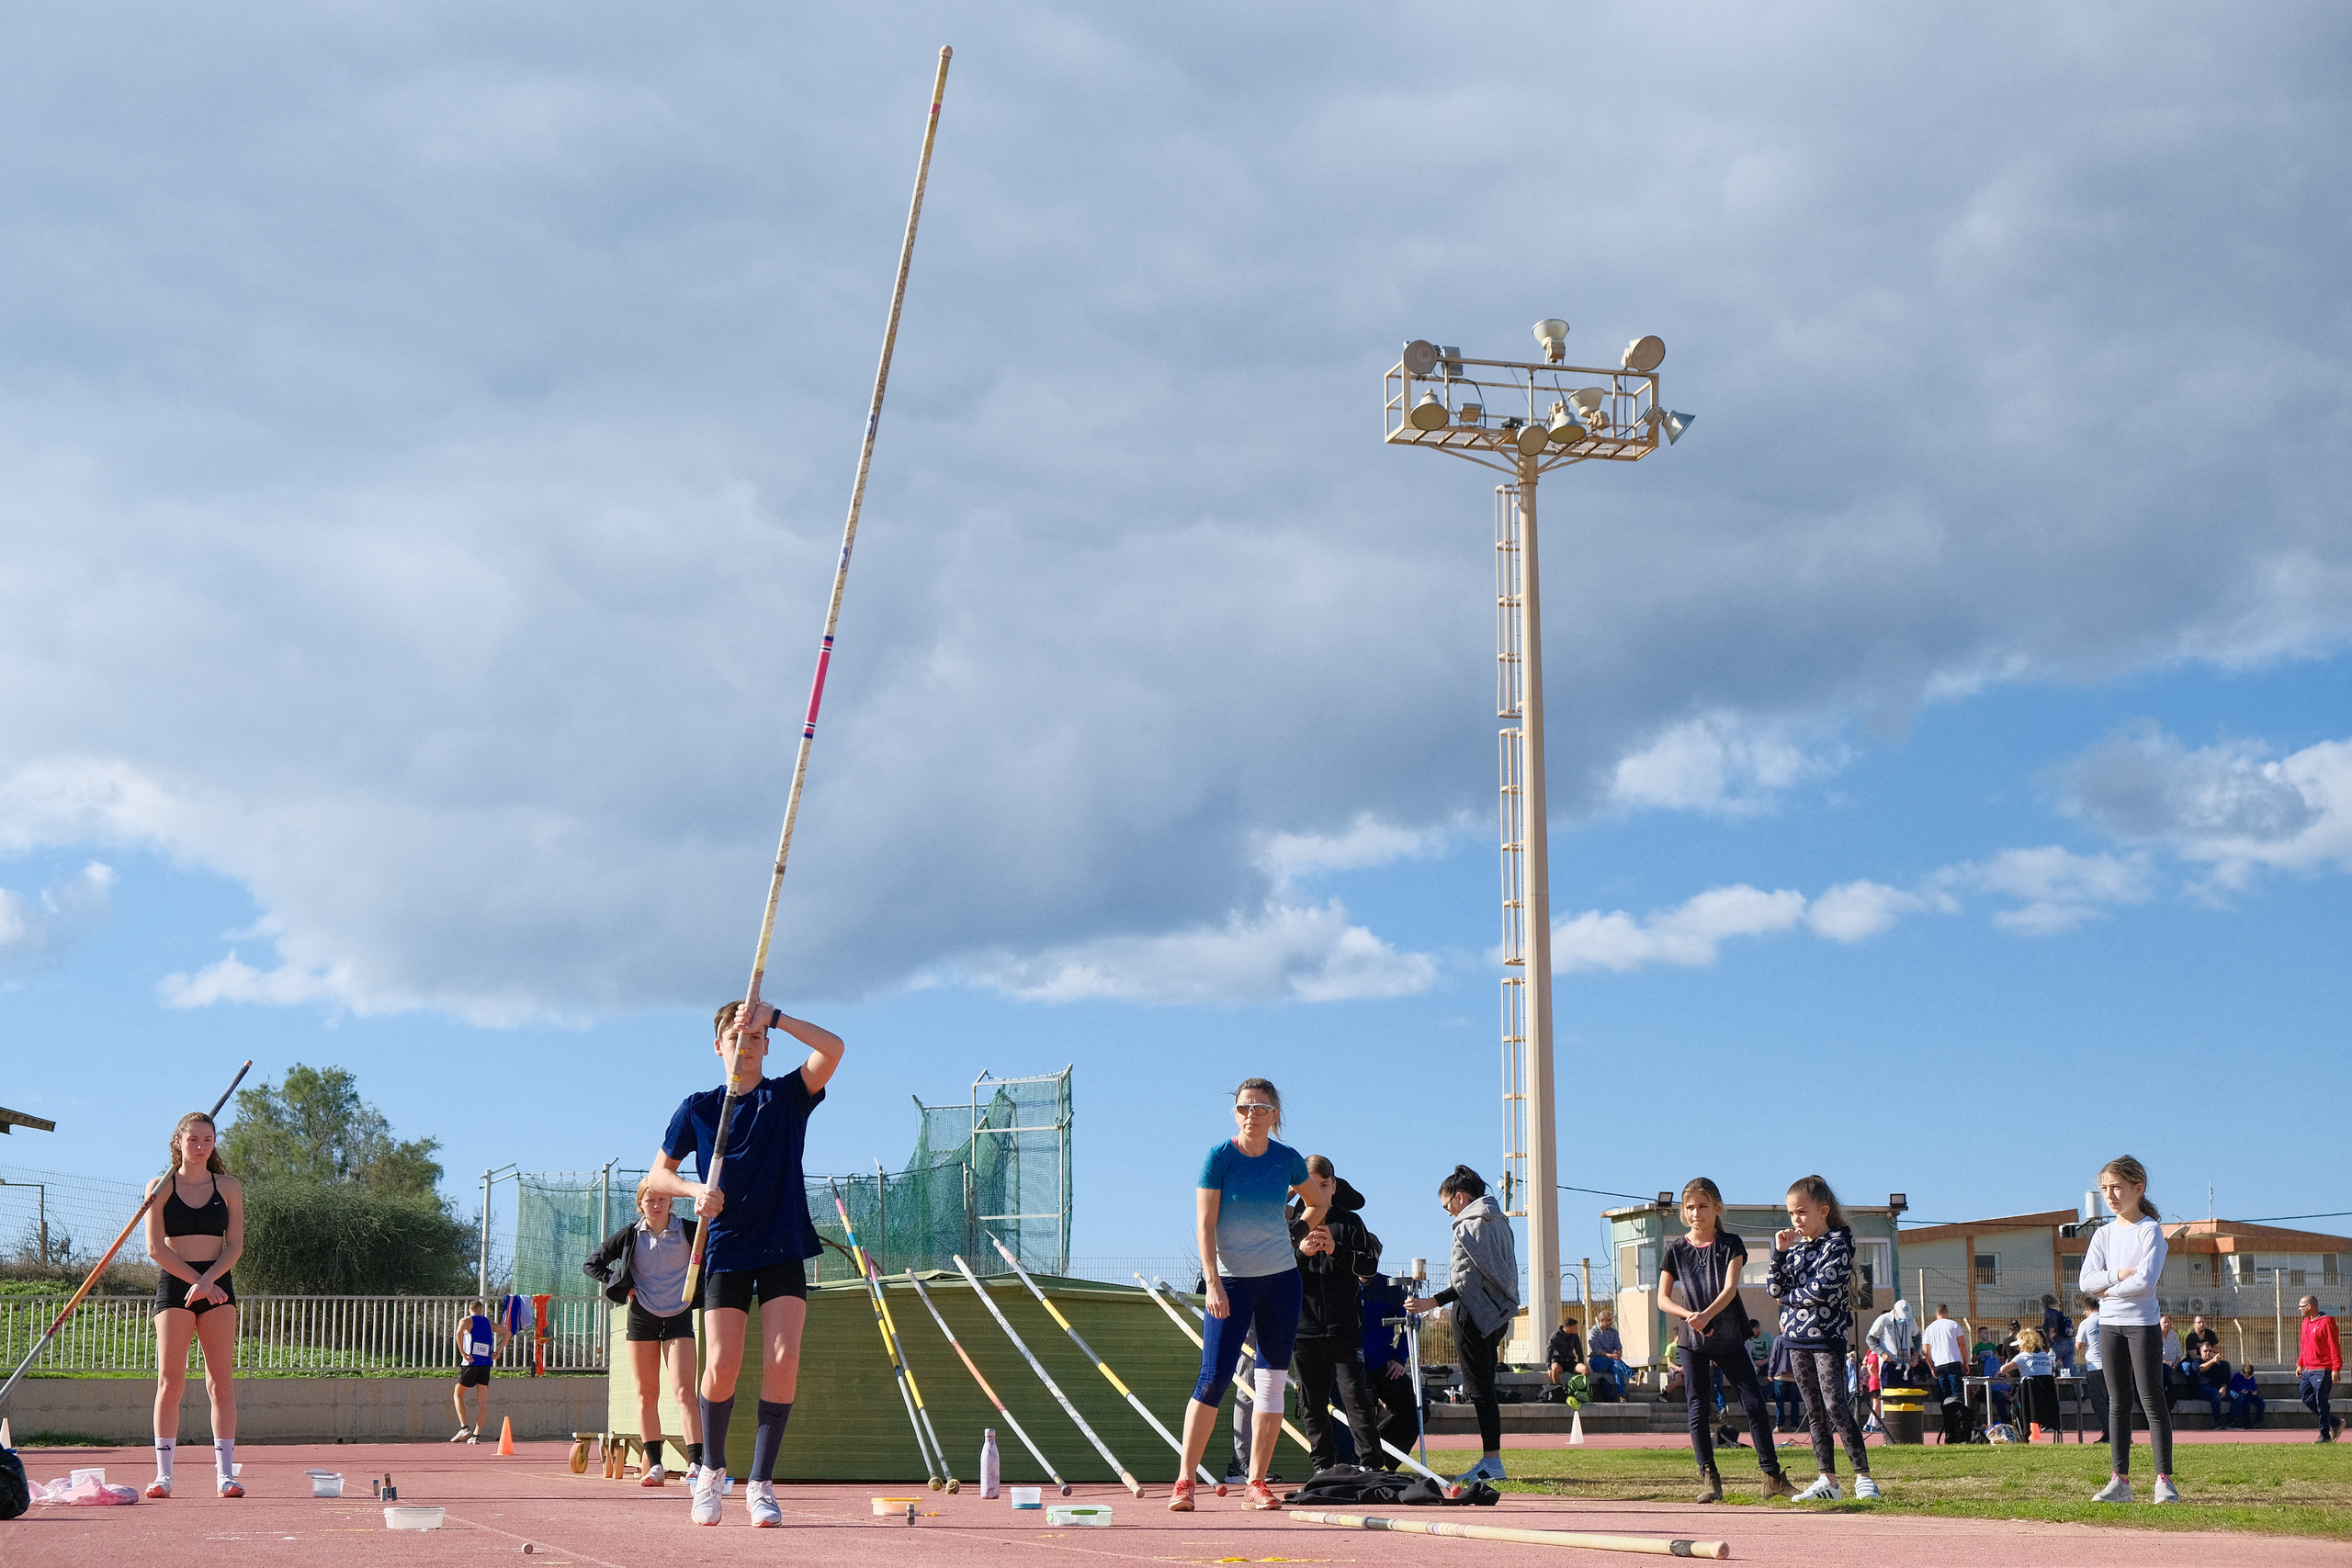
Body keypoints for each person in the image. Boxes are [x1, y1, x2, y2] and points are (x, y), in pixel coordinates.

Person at [649, 999, 844, 1528]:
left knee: (783, 1359)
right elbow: (656, 1178)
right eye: (738, 1038)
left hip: (781, 1243)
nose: (748, 1046)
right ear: (720, 1046)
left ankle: (761, 1484)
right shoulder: (698, 1107)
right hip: (726, 1248)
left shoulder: (786, 1097)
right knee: (723, 1365)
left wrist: (773, 1016)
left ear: (766, 1045)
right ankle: (711, 1470)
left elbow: (834, 1049)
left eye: (756, 1039)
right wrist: (695, 1190)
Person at [1171, 1079, 1324, 1512]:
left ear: (1275, 1114)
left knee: (1271, 1380)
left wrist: (1292, 1235)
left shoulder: (1288, 1160)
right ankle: (1185, 1482)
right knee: (1214, 1378)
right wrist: (1213, 1281)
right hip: (1231, 1281)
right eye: (1243, 1107)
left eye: (1260, 1107)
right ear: (1234, 1113)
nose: (1251, 1114)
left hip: (1281, 1281)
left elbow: (1316, 1204)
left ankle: (1256, 1483)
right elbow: (1204, 1226)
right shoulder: (1218, 1158)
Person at [1657, 1179, 1792, 1503]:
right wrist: (1689, 1315)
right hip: (1692, 1340)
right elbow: (1662, 1298)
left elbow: (1730, 1289)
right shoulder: (1675, 1250)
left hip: (1730, 1334)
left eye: (1703, 1206)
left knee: (1754, 1402)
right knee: (1697, 1406)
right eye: (1690, 1207)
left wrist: (1706, 1315)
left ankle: (1771, 1475)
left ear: (1717, 1208)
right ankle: (1709, 1476)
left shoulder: (1731, 1243)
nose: (1696, 1213)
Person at [143, 1111, 245, 1500]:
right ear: (178, 1143)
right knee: (171, 1380)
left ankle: (225, 1475)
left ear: (214, 1143)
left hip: (217, 1284)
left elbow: (234, 1245)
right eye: (193, 1140)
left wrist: (210, 1281)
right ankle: (163, 1476)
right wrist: (196, 1281)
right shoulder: (160, 1186)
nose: (200, 1147)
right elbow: (155, 1248)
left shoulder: (230, 1186)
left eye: (207, 1140)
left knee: (220, 1382)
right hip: (176, 1285)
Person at [1767, 1174, 1882, 1502]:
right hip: (1796, 1340)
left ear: (1823, 1210)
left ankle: (1863, 1476)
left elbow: (1821, 1290)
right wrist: (1779, 1254)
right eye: (1791, 1214)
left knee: (1835, 1405)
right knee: (1814, 1410)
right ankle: (1827, 1480)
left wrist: (1788, 1299)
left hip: (1826, 1338)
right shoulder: (1796, 1249)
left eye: (1801, 1212)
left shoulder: (1838, 1245)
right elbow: (1775, 1287)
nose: (1795, 1220)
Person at [585, 1177, 705, 1485]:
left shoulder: (689, 1230)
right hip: (642, 1318)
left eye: (662, 1199)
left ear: (670, 1202)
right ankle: (655, 1465)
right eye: (650, 1200)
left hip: (678, 1316)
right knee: (646, 1394)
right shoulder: (629, 1236)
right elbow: (592, 1263)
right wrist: (622, 1285)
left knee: (684, 1393)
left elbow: (717, 1256)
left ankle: (696, 1465)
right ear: (640, 1204)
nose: (656, 1205)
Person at [1405, 1166, 1519, 1487]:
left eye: (1447, 1206)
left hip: (1474, 1313)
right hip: (1498, 1312)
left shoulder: (1468, 1225)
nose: (1448, 1213)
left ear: (1459, 1197)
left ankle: (1492, 1461)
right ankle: (1492, 1458)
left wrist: (1432, 1303)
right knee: (1484, 1387)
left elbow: (1466, 1279)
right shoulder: (1501, 1221)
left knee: (1479, 1388)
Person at [2079, 1154, 2178, 1503]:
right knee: (2117, 1402)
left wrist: (2106, 1290)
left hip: (2142, 1325)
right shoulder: (2103, 1234)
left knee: (2151, 1399)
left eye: (2117, 1187)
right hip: (2110, 1325)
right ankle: (2120, 1481)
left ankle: (2164, 1480)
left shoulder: (2150, 1230)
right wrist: (2118, 1276)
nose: (2110, 1194)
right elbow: (2085, 1281)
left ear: (2139, 1188)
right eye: (2105, 1188)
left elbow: (2146, 1283)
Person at [1288, 1156, 1385, 1473]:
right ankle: (1321, 1466)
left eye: (1324, 1185)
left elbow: (1368, 1269)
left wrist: (1335, 1249)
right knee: (1312, 1403)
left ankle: (1370, 1464)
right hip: (1304, 1329)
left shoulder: (1351, 1222)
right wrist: (1301, 1252)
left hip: (1344, 1328)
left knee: (1356, 1397)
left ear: (1334, 1186)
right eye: (1310, 1187)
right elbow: (1279, 1275)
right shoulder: (1290, 1225)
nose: (1318, 1192)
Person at [1358, 1274, 1420, 1462]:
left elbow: (1412, 1322)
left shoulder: (1390, 1288)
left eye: (1372, 1256)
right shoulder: (1341, 1284)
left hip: (1383, 1362)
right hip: (1352, 1363)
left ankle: (1381, 1459)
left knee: (1415, 1410)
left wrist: (1399, 1358)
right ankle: (1358, 1460)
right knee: (1362, 1408)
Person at [452, 1299, 511, 1442]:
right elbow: (507, 1333)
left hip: (470, 1363)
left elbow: (458, 1333)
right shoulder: (488, 1323)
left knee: (458, 1395)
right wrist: (498, 1351)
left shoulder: (466, 1321)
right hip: (485, 1365)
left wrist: (462, 1352)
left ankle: (464, 1428)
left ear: (469, 1310)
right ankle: (476, 1435)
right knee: (482, 1402)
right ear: (481, 1310)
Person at [1995, 1326, 2061, 1440]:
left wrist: (2007, 1372)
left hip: (2029, 1398)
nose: (2017, 1347)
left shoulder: (2022, 1356)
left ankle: (2022, 1434)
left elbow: (2004, 1369)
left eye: (2019, 1344)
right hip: (2047, 1398)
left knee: (2014, 1404)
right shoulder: (2046, 1356)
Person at [2298, 1293, 2341, 1443]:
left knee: (2321, 1401)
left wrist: (2336, 1367)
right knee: (2306, 1397)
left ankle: (2325, 1435)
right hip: (2308, 1370)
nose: (2300, 1309)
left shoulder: (2327, 1322)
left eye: (2302, 1306)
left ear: (2310, 1306)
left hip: (2323, 1369)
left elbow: (2334, 1345)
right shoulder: (2305, 1323)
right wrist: (2300, 1363)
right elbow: (2304, 1345)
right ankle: (2335, 1423)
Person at [1923, 1303, 1969, 1408]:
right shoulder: (1954, 1324)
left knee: (1944, 1394)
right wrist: (1965, 1361)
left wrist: (1931, 1367)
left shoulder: (1929, 1329)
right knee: (1957, 1393)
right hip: (1954, 1361)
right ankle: (1958, 1419)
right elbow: (1962, 1344)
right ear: (1946, 1313)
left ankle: (1947, 1420)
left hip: (1939, 1364)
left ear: (1936, 1314)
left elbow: (1926, 1351)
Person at [2078, 1294, 2109, 1441]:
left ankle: (2110, 1434)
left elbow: (2079, 1345)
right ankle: (2120, 1433)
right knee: (2112, 1401)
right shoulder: (2106, 1319)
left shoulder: (2085, 1323)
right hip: (2110, 1366)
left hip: (2094, 1366)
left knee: (2099, 1403)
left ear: (2086, 1309)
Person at [2187, 1340, 2232, 1427]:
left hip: (2218, 1390)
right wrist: (2213, 1361)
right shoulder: (2196, 1362)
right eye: (2205, 1351)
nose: (2208, 1353)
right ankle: (2218, 1422)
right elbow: (2201, 1368)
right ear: (2200, 1352)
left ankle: (2231, 1421)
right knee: (2215, 1394)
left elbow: (2223, 1379)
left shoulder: (2217, 1364)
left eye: (2210, 1351)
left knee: (2238, 1396)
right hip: (2202, 1390)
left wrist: (2224, 1387)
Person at [1588, 1308, 1630, 1399]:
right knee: (1614, 1362)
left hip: (1612, 1361)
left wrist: (1618, 1353)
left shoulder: (1614, 1332)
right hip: (1597, 1361)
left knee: (1616, 1366)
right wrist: (1611, 1356)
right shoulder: (1593, 1332)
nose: (1611, 1322)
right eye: (1609, 1320)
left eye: (1612, 1319)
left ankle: (1621, 1394)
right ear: (1602, 1321)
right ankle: (1633, 1375)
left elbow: (1618, 1345)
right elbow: (1597, 1349)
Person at [1767, 1332, 1801, 1432]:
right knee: (1795, 1401)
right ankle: (1795, 1425)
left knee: (1779, 1401)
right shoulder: (1797, 1338)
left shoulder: (1779, 1339)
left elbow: (1774, 1357)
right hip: (1794, 1375)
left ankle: (1779, 1425)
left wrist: (1770, 1372)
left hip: (1780, 1374)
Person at [1546, 1314, 1586, 1397]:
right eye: (1575, 1327)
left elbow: (1579, 1350)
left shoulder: (1575, 1336)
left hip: (1570, 1362)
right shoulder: (1556, 1335)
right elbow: (1549, 1351)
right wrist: (1549, 1367)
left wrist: (1581, 1362)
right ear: (1568, 1328)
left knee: (1585, 1369)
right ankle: (1558, 1391)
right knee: (1555, 1369)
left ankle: (1581, 1390)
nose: (1576, 1329)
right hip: (1558, 1361)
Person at [2042, 1295, 2075, 1374]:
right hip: (2069, 1343)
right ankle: (2076, 1386)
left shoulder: (2049, 1312)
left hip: (2058, 1343)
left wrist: (2051, 1332)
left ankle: (2050, 1384)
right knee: (2070, 1367)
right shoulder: (2059, 1313)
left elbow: (2052, 1321)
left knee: (2049, 1363)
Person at [2227, 1361, 2265, 1428]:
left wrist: (2255, 1391)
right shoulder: (2237, 1376)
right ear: (2243, 1372)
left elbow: (2254, 1386)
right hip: (2241, 1393)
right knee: (2246, 1405)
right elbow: (2232, 1387)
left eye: (2249, 1377)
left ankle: (2257, 1422)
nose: (2248, 1378)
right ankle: (2247, 1422)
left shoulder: (2252, 1378)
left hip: (2249, 1393)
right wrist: (2240, 1390)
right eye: (2247, 1376)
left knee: (2261, 1403)